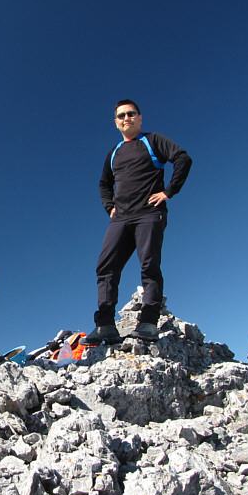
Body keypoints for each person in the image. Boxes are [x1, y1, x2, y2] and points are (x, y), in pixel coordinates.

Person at [82, 99, 192, 345]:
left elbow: (182, 158)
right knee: (105, 267)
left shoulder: (152, 140)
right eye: (121, 116)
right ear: (116, 122)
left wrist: (168, 191)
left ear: (140, 118)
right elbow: (104, 183)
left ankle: (148, 323)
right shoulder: (114, 152)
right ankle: (105, 326)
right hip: (120, 219)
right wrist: (109, 207)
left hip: (149, 214)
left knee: (149, 265)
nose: (126, 118)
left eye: (131, 114)